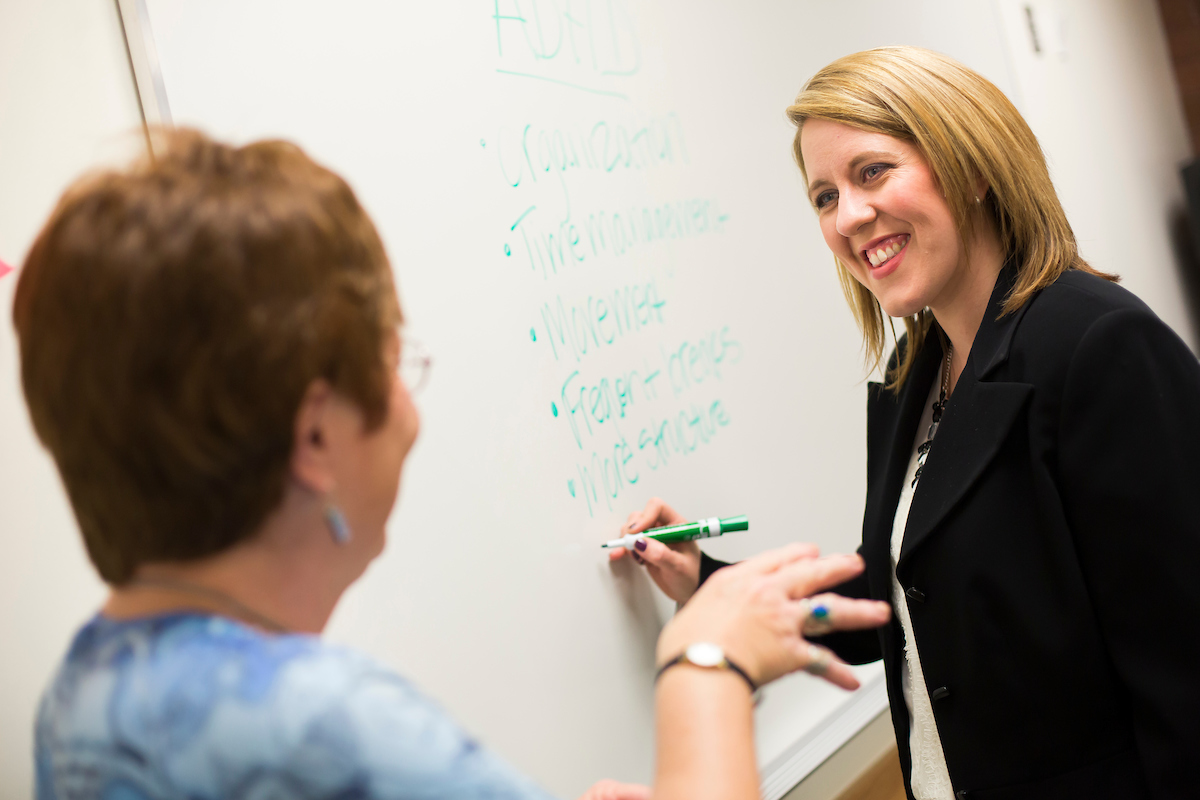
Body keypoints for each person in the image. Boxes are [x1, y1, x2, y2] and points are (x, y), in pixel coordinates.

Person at [15, 130, 891, 800]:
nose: (409, 411)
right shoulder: (329, 726)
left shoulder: (81, 690)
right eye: (394, 364)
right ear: (316, 438)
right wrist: (705, 662)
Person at [611, 46, 1200, 799]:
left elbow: (1186, 670)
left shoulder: (1097, 345)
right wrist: (706, 578)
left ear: (974, 167)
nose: (849, 217)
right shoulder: (907, 380)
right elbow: (895, 604)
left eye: (872, 172)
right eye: (823, 196)